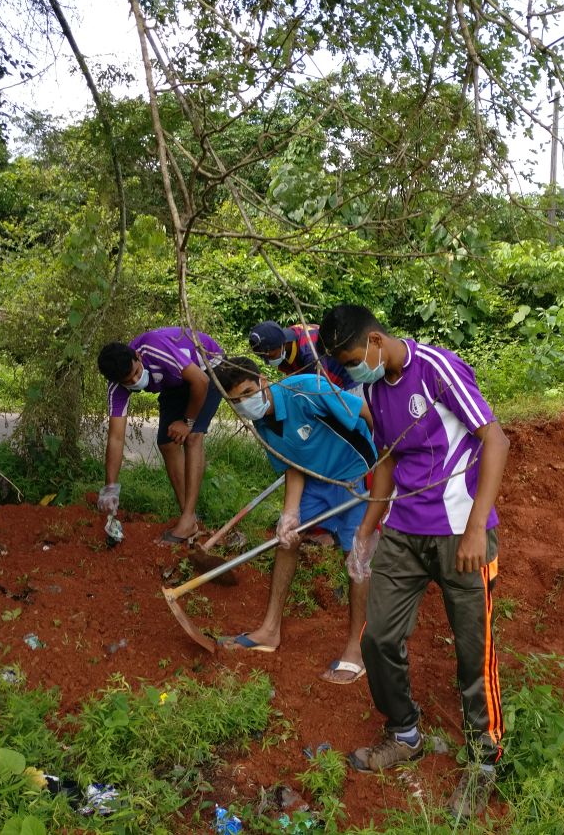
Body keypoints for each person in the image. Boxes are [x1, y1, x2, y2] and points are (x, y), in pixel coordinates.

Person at [319, 303, 509, 821]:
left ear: (376, 341)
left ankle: (484, 763)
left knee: (474, 648)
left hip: (460, 534)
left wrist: (476, 527)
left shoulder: (436, 368)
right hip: (403, 530)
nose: (353, 369)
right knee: (378, 636)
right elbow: (388, 460)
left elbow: (494, 438)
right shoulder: (376, 389)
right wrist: (365, 533)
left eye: (354, 358)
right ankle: (404, 733)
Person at [212, 356, 376, 684]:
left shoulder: (307, 389)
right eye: (235, 401)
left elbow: (366, 414)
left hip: (355, 477)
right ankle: (270, 630)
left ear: (262, 379)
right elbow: (293, 465)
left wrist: (381, 465)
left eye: (247, 392)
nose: (245, 403)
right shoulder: (261, 425)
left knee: (357, 558)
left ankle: (358, 650)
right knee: (286, 539)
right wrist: (290, 514)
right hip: (315, 480)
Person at [96, 327, 224, 543]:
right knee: (167, 442)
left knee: (192, 436)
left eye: (136, 372)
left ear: (138, 356)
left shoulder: (153, 348)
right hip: (176, 381)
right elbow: (116, 438)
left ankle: (186, 522)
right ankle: (190, 517)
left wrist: (187, 422)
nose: (135, 380)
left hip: (209, 369)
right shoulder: (116, 387)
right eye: (128, 381)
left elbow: (200, 381)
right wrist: (110, 488)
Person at [248, 320, 353, 388]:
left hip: (347, 382)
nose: (268, 362)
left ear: (281, 344)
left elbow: (319, 390)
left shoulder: (310, 353)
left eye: (270, 356)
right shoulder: (286, 342)